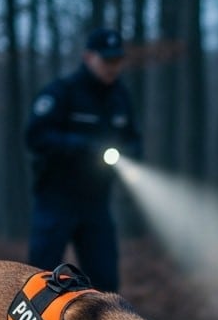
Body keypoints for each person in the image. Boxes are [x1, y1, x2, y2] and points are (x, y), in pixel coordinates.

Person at [24, 28, 142, 293]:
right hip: (55, 198)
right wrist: (81, 147)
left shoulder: (120, 98)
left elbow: (134, 140)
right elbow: (35, 136)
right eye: (106, 60)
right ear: (88, 57)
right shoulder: (61, 92)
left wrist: (129, 155)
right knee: (39, 278)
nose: (113, 67)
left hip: (96, 202)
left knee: (106, 282)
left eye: (117, 60)